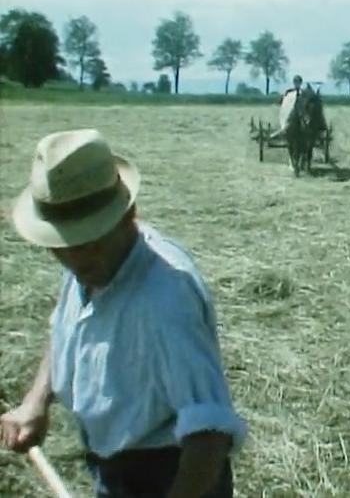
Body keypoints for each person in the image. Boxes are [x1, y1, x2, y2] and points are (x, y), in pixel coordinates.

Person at [0, 129, 247, 497]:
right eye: (63, 244)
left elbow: (208, 435)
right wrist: (35, 403)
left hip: (171, 475)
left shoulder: (165, 298)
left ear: (128, 213)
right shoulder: (87, 264)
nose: (75, 257)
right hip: (112, 469)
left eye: (90, 240)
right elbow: (64, 329)